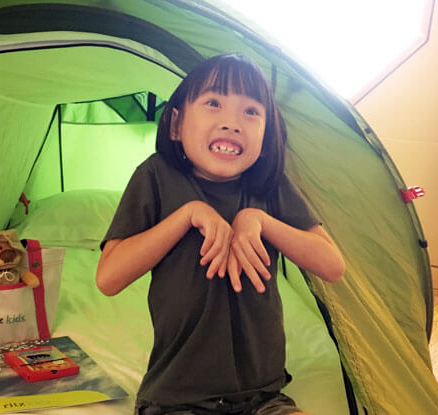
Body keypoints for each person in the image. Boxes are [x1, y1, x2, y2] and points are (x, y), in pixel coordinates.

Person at [96, 54, 345, 415]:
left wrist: (259, 220)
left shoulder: (269, 188)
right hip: (176, 398)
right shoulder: (157, 177)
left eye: (251, 112)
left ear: (267, 133)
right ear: (176, 125)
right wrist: (186, 216)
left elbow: (332, 265)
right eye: (214, 103)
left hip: (263, 397)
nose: (232, 123)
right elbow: (108, 278)